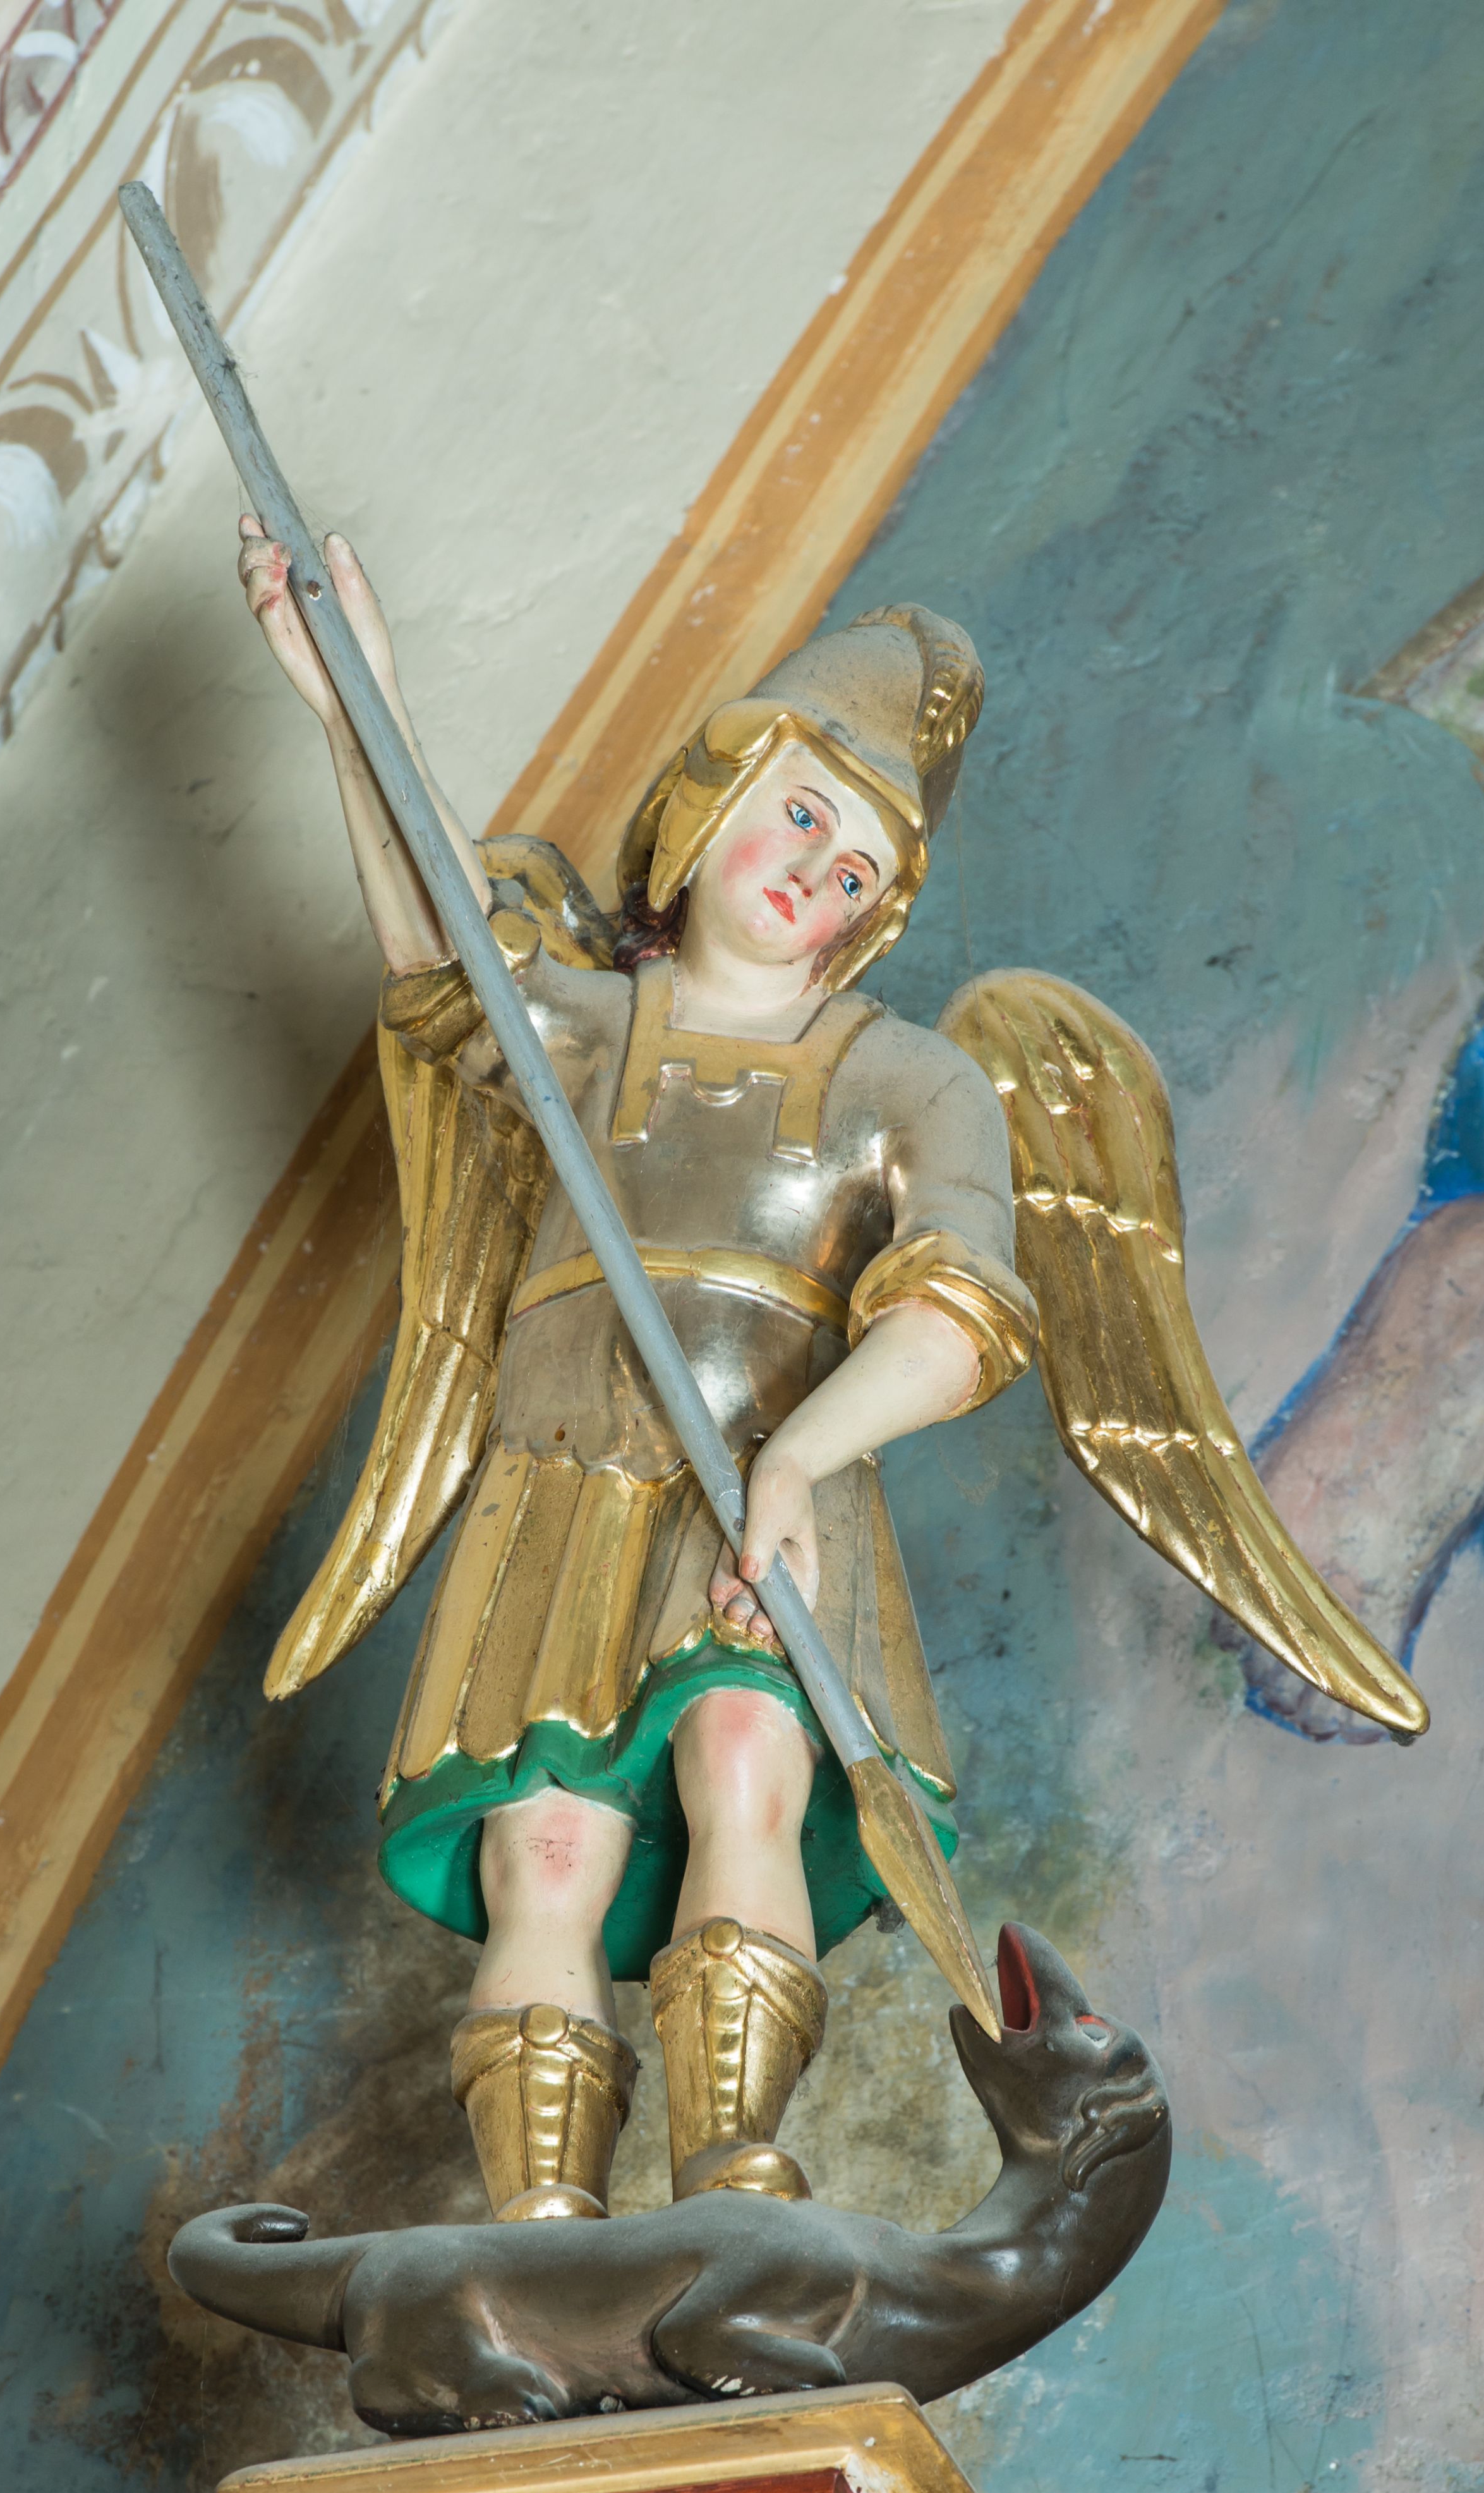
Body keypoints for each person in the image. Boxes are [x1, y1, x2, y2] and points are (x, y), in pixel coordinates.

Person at [238, 519, 1036, 2221]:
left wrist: (799, 1458)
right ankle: (544, 2216)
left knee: (744, 1751)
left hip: (755, 1492)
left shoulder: (909, 1079)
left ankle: (734, 2165)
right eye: (804, 814)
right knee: (548, 1836)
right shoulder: (584, 1030)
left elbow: (958, 1313)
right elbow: (446, 967)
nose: (815, 873)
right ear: (719, 791)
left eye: (857, 873)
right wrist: (354, 705)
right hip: (559, 1484)